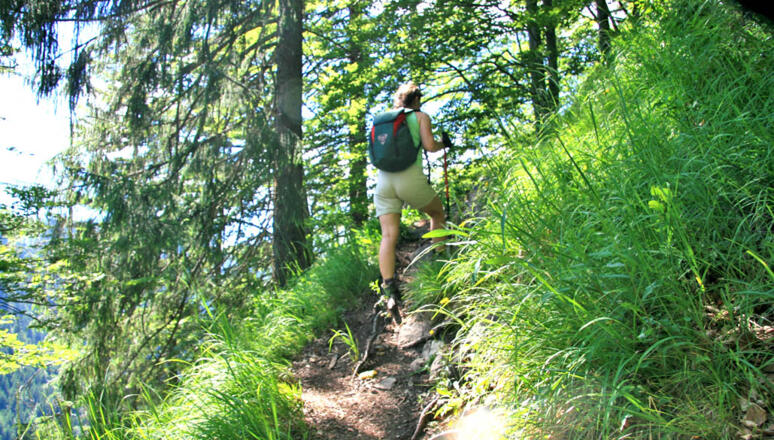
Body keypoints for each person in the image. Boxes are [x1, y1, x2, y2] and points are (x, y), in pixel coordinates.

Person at [373, 82, 450, 322]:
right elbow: (429, 146)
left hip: (383, 183)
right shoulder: (420, 117)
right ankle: (441, 261)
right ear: (416, 99)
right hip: (409, 178)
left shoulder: (382, 119)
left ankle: (389, 290)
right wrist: (444, 143)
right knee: (437, 214)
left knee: (388, 236)